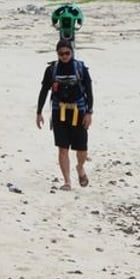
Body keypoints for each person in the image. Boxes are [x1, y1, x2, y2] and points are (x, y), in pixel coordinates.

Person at [36, 39, 93, 190]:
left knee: (82, 149)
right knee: (62, 148)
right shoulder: (51, 70)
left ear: (72, 52)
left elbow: (89, 90)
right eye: (61, 54)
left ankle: (80, 167)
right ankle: (67, 181)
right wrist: (39, 112)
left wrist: (89, 112)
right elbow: (44, 90)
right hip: (58, 111)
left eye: (67, 53)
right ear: (57, 54)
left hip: (79, 111)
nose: (64, 56)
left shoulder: (80, 68)